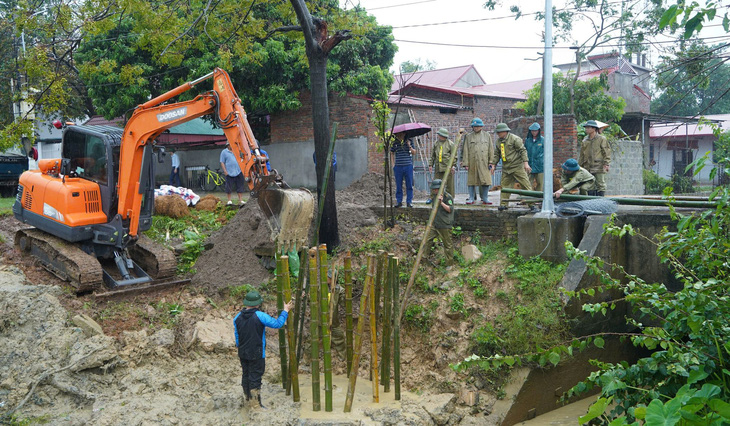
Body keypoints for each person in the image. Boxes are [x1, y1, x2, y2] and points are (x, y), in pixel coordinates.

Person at [233, 290, 293, 411]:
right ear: (258, 303)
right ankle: (255, 405)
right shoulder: (260, 316)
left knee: (246, 374)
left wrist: (241, 348)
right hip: (257, 352)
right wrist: (285, 311)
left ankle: (247, 399)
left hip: (243, 352)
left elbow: (237, 337)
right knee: (255, 377)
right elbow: (277, 324)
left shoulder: (237, 317)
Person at [495, 123, 534, 211]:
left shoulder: (515, 139)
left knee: (526, 185)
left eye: (499, 132)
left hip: (517, 166)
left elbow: (522, 151)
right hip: (506, 168)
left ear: (505, 131)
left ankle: (531, 204)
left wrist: (526, 163)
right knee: (505, 187)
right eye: (497, 132)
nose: (498, 134)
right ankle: (503, 204)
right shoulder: (498, 142)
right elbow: (497, 154)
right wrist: (493, 164)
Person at [460, 118, 495, 205]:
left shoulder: (487, 136)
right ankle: (471, 197)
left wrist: (491, 161)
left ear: (481, 126)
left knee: (486, 180)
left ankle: (485, 198)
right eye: (474, 126)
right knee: (471, 180)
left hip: (484, 162)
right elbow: (465, 150)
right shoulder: (468, 136)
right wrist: (465, 163)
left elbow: (491, 149)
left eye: (477, 126)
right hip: (473, 162)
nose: (475, 128)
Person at [424, 179, 455, 266]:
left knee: (447, 245)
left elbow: (450, 209)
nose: (435, 191)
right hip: (435, 223)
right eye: (434, 189)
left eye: (436, 189)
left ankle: (450, 264)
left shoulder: (447, 197)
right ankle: (424, 258)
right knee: (427, 240)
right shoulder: (434, 197)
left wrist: (441, 203)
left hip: (444, 224)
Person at [579, 120, 611, 196]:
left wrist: (606, 163)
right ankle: (592, 202)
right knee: (590, 185)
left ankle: (601, 200)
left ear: (594, 129)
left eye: (588, 128)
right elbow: (582, 155)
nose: (586, 129)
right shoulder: (585, 140)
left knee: (600, 184)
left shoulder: (601, 139)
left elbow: (606, 151)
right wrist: (579, 166)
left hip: (598, 165)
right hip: (587, 166)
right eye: (586, 128)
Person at [428, 128, 455, 204]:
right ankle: (432, 198)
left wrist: (453, 166)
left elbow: (454, 156)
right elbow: (433, 155)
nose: (438, 136)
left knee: (449, 185)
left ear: (443, 135)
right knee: (435, 184)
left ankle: (450, 199)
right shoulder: (436, 143)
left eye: (439, 134)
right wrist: (430, 165)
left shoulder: (450, 144)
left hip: (447, 168)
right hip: (438, 167)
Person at [390, 131, 415, 208]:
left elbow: (414, 152)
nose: (400, 135)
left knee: (409, 185)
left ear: (404, 134)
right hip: (398, 167)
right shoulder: (395, 142)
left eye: (401, 134)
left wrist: (409, 146)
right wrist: (393, 164)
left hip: (408, 166)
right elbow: (391, 152)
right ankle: (399, 201)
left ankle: (409, 202)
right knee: (398, 185)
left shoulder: (409, 141)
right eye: (398, 134)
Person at [525, 122, 545, 193]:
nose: (534, 132)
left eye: (535, 131)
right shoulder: (527, 140)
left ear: (539, 131)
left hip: (540, 165)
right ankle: (528, 198)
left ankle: (538, 198)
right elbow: (524, 151)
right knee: (528, 183)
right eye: (532, 131)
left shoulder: (543, 140)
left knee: (540, 183)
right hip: (529, 164)